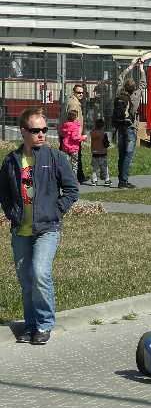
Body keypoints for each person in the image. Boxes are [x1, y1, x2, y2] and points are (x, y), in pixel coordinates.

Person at [0, 107, 79, 345]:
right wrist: (11, 213)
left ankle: (44, 324)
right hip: (21, 230)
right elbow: (3, 192)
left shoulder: (55, 158)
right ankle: (31, 325)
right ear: (23, 131)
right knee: (26, 280)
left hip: (47, 229)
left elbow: (72, 190)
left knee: (40, 273)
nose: (42, 134)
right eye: (36, 130)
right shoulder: (12, 161)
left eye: (45, 129)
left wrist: (55, 210)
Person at [114, 58, 146, 189]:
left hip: (119, 127)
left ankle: (120, 179)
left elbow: (120, 77)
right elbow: (143, 84)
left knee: (121, 154)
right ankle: (124, 180)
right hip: (130, 127)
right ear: (133, 88)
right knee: (128, 155)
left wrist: (131, 66)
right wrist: (141, 68)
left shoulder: (119, 93)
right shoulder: (135, 95)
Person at [65, 84, 87, 183]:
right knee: (74, 160)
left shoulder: (71, 101)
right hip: (73, 136)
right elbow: (73, 118)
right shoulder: (74, 104)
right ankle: (74, 178)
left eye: (82, 92)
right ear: (74, 92)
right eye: (79, 92)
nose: (81, 94)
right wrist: (80, 135)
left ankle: (79, 176)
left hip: (70, 136)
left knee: (72, 159)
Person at [59, 109, 85, 177]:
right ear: (75, 117)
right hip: (74, 148)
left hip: (65, 147)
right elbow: (74, 137)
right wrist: (83, 138)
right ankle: (73, 179)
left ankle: (65, 177)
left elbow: (62, 133)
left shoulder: (65, 125)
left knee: (66, 164)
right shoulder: (75, 126)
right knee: (74, 164)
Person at [89, 118, 111, 186]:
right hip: (102, 153)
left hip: (94, 153)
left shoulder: (92, 133)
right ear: (103, 126)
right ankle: (107, 180)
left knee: (94, 168)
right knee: (104, 167)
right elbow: (106, 144)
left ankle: (94, 181)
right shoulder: (103, 134)